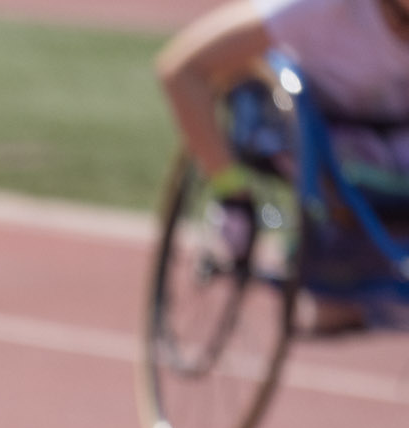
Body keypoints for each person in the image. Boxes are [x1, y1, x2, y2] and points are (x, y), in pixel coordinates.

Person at [159, 0, 409, 329]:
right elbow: (182, 70)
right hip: (319, 141)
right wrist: (232, 192)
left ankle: (347, 296)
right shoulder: (320, 8)